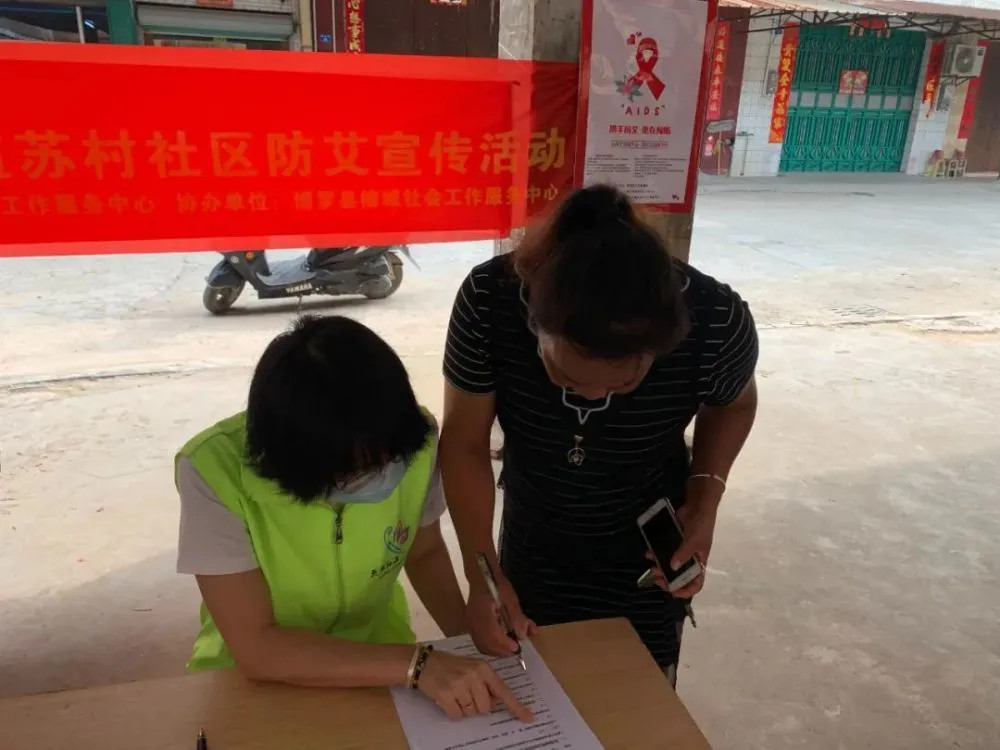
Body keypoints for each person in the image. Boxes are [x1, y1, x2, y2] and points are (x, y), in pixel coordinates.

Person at [440, 185, 758, 686]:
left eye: (622, 384)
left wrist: (705, 500)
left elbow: (735, 403)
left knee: (636, 693)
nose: (590, 398)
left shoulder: (716, 321)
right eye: (566, 378)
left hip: (647, 556)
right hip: (534, 537)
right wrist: (483, 575)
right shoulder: (489, 300)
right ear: (534, 324)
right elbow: (464, 443)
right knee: (533, 684)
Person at [174, 315, 531, 721]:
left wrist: (466, 638)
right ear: (304, 468)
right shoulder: (212, 471)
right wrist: (419, 665)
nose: (384, 474)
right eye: (358, 472)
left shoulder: (409, 436)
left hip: (381, 663)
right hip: (255, 683)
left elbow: (424, 551)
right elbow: (257, 648)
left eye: (390, 460)